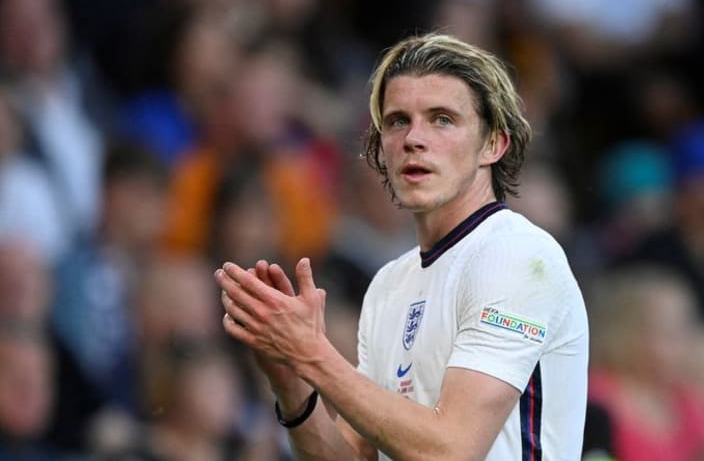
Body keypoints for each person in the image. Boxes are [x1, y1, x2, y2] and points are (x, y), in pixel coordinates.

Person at [214, 33, 589, 460]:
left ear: (493, 144)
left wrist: (314, 355)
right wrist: (291, 381)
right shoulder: (389, 283)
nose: (414, 138)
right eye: (397, 121)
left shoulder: (520, 256)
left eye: (442, 119)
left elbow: (450, 451)